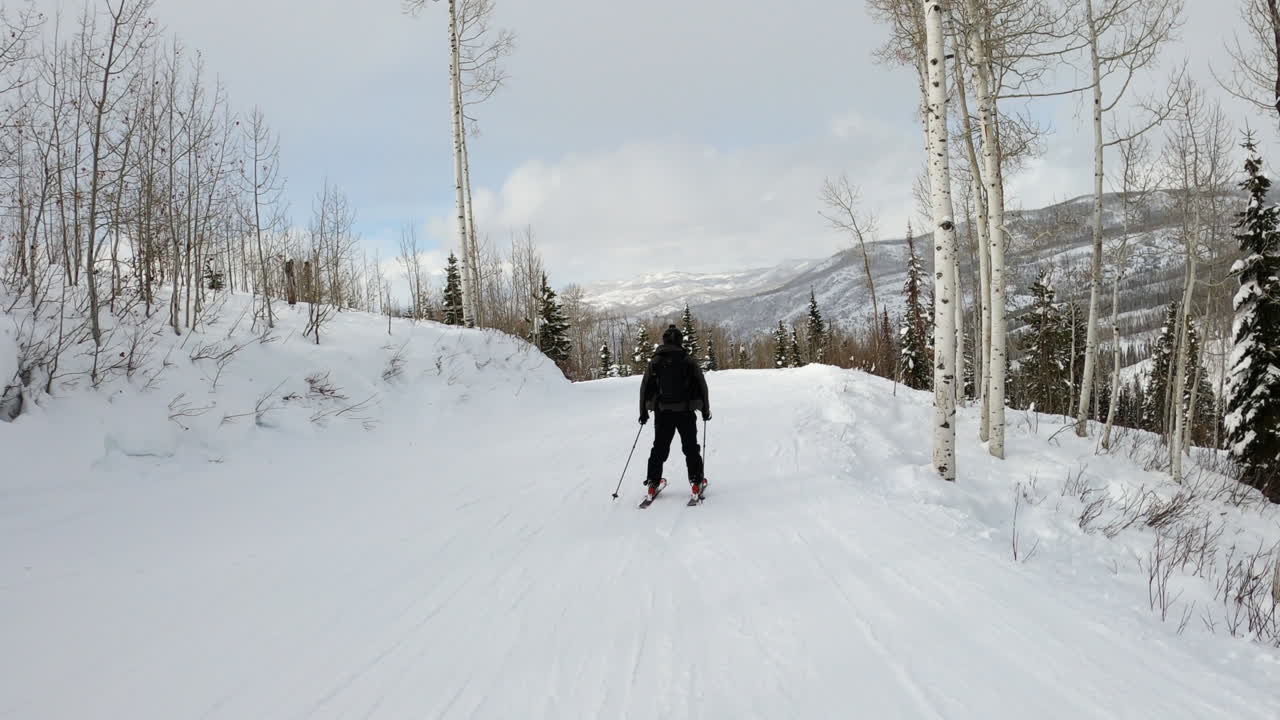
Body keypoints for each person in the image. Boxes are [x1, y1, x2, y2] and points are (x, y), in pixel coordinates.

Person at [639, 324, 711, 500]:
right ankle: (696, 482)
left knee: (659, 448)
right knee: (690, 448)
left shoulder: (655, 361)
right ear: (680, 341)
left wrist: (643, 412)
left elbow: (644, 387)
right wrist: (705, 410)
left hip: (662, 413)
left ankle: (652, 483)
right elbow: (702, 386)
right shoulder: (687, 360)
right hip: (685, 412)